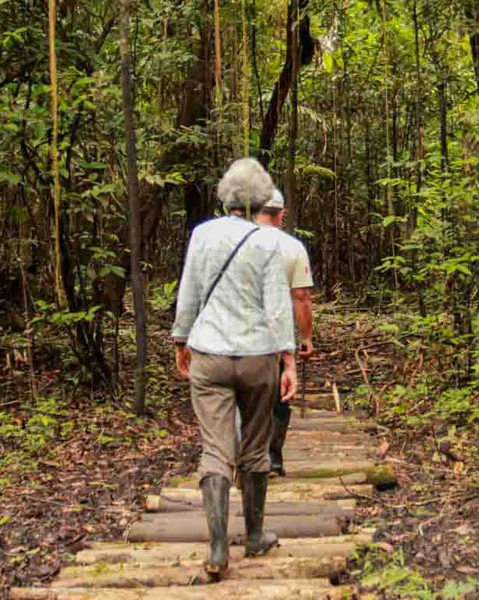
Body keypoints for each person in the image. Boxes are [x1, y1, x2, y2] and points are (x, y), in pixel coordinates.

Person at [172, 158, 299, 580]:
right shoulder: (266, 241)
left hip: (208, 353)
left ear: (225, 197)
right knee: (256, 447)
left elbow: (189, 288)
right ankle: (256, 534)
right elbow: (277, 305)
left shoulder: (202, 235)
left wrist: (180, 338)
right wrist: (289, 360)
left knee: (215, 449)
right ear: (261, 199)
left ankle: (217, 546)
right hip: (257, 356)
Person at [256, 189, 314, 476]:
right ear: (281, 214)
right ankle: (272, 457)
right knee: (280, 393)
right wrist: (305, 338)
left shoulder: (236, 242)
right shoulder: (292, 247)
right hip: (277, 334)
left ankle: (245, 454)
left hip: (238, 333)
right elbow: (300, 296)